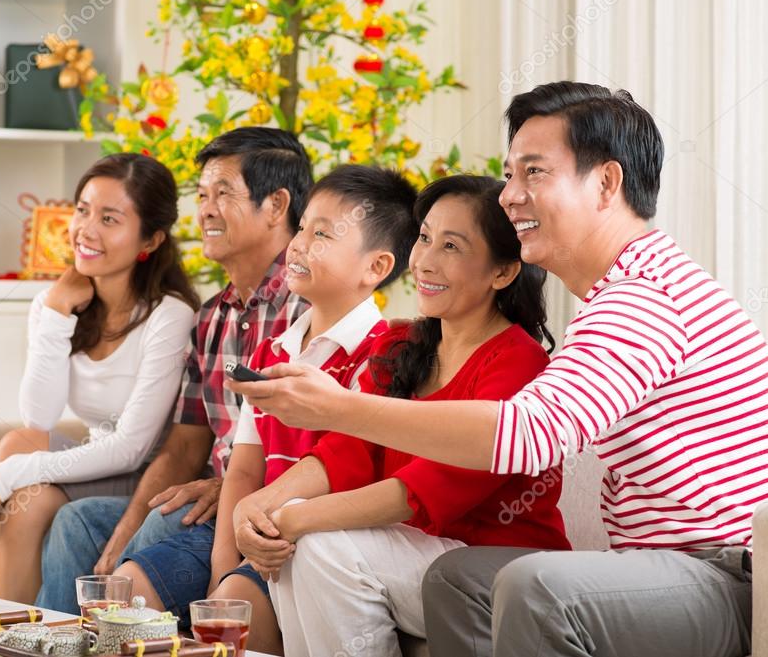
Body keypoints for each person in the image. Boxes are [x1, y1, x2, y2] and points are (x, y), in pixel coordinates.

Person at [228, 81, 768, 657]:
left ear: (606, 183)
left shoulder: (641, 300)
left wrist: (337, 406)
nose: (510, 196)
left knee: (533, 585)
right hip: (659, 569)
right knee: (460, 579)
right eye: (510, 174)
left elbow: (524, 436)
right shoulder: (619, 296)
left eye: (533, 173)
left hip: (720, 579)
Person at [232, 174, 570, 657]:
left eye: (452, 246)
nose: (426, 261)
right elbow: (343, 453)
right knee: (294, 545)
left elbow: (421, 493)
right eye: (426, 238)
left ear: (502, 272)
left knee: (318, 544)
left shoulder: (518, 363)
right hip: (410, 556)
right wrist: (262, 506)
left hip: (494, 566)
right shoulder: (400, 345)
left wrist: (294, 519)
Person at [114, 165, 420, 655]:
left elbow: (351, 462)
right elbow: (244, 469)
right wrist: (222, 564)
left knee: (236, 610)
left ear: (376, 268)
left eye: (322, 234)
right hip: (248, 534)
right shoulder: (271, 353)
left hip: (318, 539)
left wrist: (236, 574)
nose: (298, 244)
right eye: (302, 228)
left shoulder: (388, 350)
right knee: (128, 590)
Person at [35, 127, 313, 614]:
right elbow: (186, 443)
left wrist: (229, 487)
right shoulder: (212, 317)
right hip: (203, 501)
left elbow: (319, 447)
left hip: (266, 508)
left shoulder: (308, 308)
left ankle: (117, 630)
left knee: (170, 519)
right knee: (78, 522)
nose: (205, 210)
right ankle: (47, 646)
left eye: (223, 193)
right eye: (202, 195)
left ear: (275, 206)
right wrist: (125, 530)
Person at [0, 153, 199, 603]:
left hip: (146, 475)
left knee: (17, 461)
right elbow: (39, 417)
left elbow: (131, 448)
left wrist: (6, 477)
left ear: (151, 239)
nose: (86, 229)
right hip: (95, 462)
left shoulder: (169, 316)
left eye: (109, 218)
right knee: (25, 474)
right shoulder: (55, 303)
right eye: (82, 210)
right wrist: (58, 313)